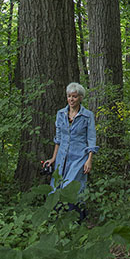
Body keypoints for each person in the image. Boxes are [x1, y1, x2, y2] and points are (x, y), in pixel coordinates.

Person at [41, 83, 98, 211]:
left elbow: (91, 139)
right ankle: (56, 216)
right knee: (57, 185)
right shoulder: (60, 114)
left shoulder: (87, 116)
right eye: (69, 96)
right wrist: (53, 158)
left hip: (79, 157)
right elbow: (58, 139)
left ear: (81, 98)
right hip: (62, 157)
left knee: (73, 186)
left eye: (75, 96)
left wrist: (89, 159)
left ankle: (76, 218)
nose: (71, 99)